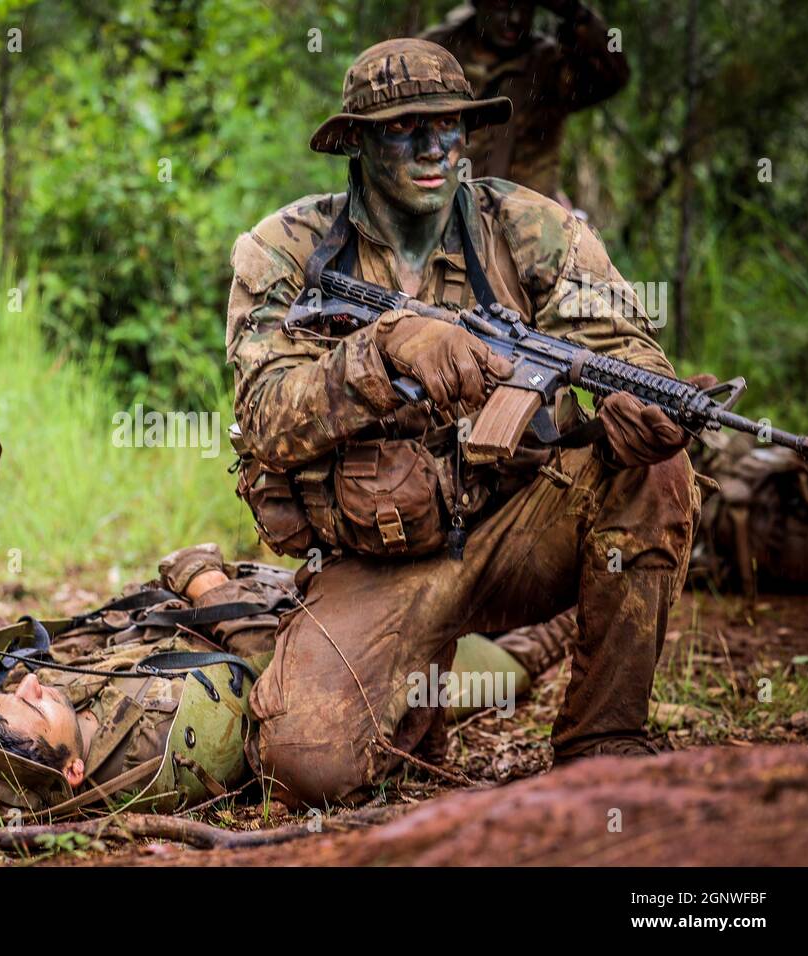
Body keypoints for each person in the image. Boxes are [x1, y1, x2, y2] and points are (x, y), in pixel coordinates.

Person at [226, 37, 704, 807]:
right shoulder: (284, 250)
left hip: (520, 523)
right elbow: (264, 415)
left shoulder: (531, 227)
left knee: (654, 469)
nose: (433, 147)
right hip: (377, 560)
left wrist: (638, 401)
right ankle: (440, 683)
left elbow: (624, 346)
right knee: (303, 765)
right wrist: (384, 354)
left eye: (449, 125)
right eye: (402, 129)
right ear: (354, 140)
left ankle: (604, 738)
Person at [0, 544, 569, 807]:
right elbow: (280, 679)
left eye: (20, 690)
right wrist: (206, 586)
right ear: (72, 771)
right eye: (35, 704)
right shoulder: (164, 740)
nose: (31, 686)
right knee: (498, 659)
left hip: (284, 601)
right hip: (342, 658)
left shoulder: (64, 728)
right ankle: (574, 619)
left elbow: (44, 665)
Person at [421, 0, 629, 204]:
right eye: (502, 6)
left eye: (525, 7)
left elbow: (614, 72)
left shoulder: (549, 65)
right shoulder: (435, 52)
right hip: (448, 213)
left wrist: (575, 13)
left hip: (527, 221)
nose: (516, 18)